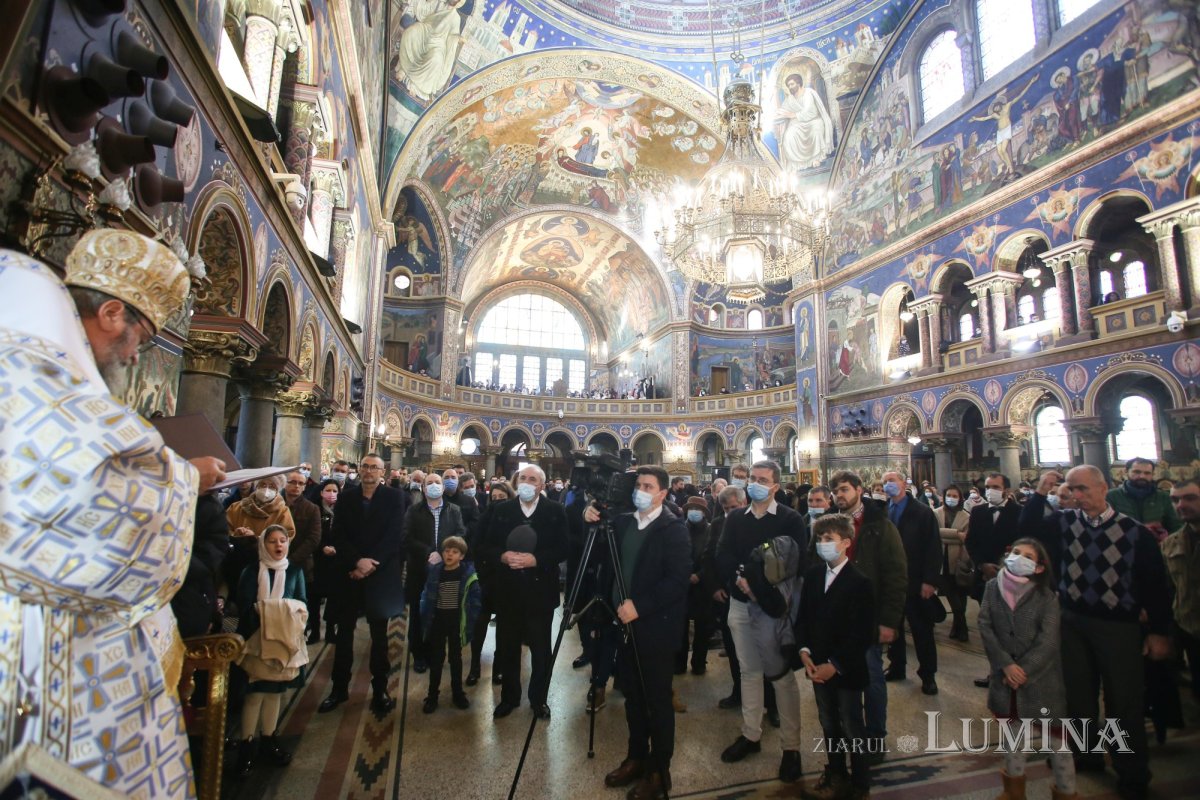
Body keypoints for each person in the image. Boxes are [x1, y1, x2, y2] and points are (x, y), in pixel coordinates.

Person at [0, 235, 226, 799]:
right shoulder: (35, 376)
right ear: (110, 313)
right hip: (42, 663)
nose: (133, 356)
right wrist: (184, 480)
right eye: (140, 339)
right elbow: (90, 502)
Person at [1022, 468, 1171, 799]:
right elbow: (1027, 530)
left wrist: (1159, 631)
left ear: (1104, 488)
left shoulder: (1133, 532)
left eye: (1084, 489)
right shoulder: (1064, 524)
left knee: (1123, 700)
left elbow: (1155, 585)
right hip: (1073, 620)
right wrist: (1039, 492)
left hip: (1117, 625)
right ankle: (1086, 753)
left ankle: (1131, 772)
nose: (1078, 495)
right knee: (1078, 695)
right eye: (1072, 490)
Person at [586, 466, 691, 800]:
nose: (641, 490)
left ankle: (660, 770)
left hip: (655, 627)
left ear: (662, 493)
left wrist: (640, 606)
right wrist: (588, 519)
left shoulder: (672, 529)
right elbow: (598, 553)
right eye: (638, 485)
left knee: (656, 701)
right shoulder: (623, 523)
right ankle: (635, 757)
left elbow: (676, 581)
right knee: (632, 695)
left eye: (648, 486)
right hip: (622, 625)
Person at [715, 461, 806, 784]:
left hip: (772, 610)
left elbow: (796, 561)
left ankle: (791, 749)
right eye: (752, 479)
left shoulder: (790, 519)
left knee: (780, 677)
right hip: (740, 604)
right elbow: (723, 553)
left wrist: (760, 586)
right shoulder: (736, 518)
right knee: (749, 672)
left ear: (775, 487)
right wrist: (741, 579)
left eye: (762, 480)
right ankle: (750, 735)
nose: (755, 484)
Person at [977, 537, 1077, 800]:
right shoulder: (991, 588)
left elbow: (1049, 640)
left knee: (1057, 742)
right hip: (1005, 677)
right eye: (1016, 552)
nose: (1019, 557)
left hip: (1040, 680)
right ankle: (1013, 790)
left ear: (1040, 567)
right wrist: (1005, 665)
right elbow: (985, 625)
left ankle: (1066, 792)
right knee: (1013, 739)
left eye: (1028, 556)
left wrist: (1024, 671)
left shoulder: (1046, 597)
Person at [319, 454, 408, 716]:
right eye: (365, 467)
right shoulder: (346, 497)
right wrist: (357, 562)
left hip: (378, 574)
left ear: (383, 472)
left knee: (380, 637)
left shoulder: (394, 497)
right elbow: (339, 534)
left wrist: (371, 564)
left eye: (374, 468)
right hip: (349, 573)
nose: (369, 471)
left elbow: (394, 535)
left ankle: (380, 688)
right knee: (343, 635)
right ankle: (339, 688)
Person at [478, 465, 568, 720]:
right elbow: (485, 545)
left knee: (540, 650)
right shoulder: (502, 510)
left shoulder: (555, 510)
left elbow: (563, 547)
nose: (527, 482)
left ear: (542, 485)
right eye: (523, 478)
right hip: (508, 591)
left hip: (540, 592)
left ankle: (539, 699)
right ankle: (509, 697)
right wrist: (502, 556)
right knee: (507, 647)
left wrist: (536, 560)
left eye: (533, 479)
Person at [796, 514, 876, 800]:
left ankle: (861, 784)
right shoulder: (815, 575)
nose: (822, 544)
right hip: (817, 665)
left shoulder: (859, 582)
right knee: (828, 722)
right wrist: (804, 650)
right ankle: (837, 772)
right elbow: (803, 616)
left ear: (845, 543)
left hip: (846, 670)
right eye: (819, 539)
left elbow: (862, 634)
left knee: (852, 726)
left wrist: (836, 665)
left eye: (828, 539)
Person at [827, 471, 907, 754]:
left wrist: (889, 621)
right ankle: (850, 733)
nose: (840, 495)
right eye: (836, 490)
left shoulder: (880, 526)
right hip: (836, 616)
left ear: (859, 490)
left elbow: (896, 576)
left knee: (872, 678)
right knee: (841, 680)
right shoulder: (828, 525)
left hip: (868, 615)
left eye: (845, 489)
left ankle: (874, 737)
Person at [234, 525, 309, 775]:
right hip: (256, 641)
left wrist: (282, 613)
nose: (278, 546)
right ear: (262, 545)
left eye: (283, 541)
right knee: (254, 695)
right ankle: (246, 744)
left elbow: (302, 603)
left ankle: (268, 739)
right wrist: (263, 615)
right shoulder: (251, 571)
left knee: (275, 693)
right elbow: (245, 604)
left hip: (284, 643)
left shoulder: (294, 571)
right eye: (272, 542)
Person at [881, 470, 942, 695]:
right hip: (891, 582)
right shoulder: (884, 510)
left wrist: (930, 581)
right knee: (893, 627)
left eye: (892, 481)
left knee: (921, 630)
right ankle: (897, 666)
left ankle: (928, 674)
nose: (888, 485)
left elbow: (933, 548)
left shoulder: (922, 512)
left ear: (904, 483)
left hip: (916, 580)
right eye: (885, 482)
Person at [405, 472, 466, 673]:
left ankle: (433, 652)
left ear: (442, 487)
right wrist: (427, 552)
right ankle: (418, 654)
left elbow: (460, 533)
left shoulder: (453, 509)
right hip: (418, 570)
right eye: (429, 483)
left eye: (437, 482)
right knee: (417, 613)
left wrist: (443, 553)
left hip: (445, 570)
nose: (433, 485)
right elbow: (406, 536)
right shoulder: (414, 510)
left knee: (439, 613)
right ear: (423, 488)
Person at [967, 473, 1021, 687]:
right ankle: (993, 672)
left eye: (995, 486)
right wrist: (981, 564)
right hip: (984, 576)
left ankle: (1012, 672)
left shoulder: (1018, 513)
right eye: (987, 486)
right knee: (989, 628)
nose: (990, 490)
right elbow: (971, 542)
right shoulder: (978, 512)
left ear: (1006, 490)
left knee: (1010, 628)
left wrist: (1004, 566)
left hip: (1011, 577)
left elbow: (1023, 542)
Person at [419, 535, 481, 713]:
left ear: (461, 556)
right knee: (436, 659)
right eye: (447, 551)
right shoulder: (435, 571)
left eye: (455, 552)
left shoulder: (467, 575)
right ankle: (432, 695)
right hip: (438, 620)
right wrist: (425, 615)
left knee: (456, 658)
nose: (450, 554)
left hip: (456, 622)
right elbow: (427, 595)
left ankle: (458, 693)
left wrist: (471, 619)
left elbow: (475, 601)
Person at [468, 480, 515, 685]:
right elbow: (476, 547)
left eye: (501, 499)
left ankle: (499, 668)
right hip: (486, 576)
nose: (497, 502)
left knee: (504, 627)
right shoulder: (485, 517)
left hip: (508, 578)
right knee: (480, 623)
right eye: (494, 498)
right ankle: (474, 666)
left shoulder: (515, 519)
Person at [226, 475, 297, 602]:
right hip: (237, 559)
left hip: (266, 562)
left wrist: (257, 538)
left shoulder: (282, 511)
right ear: (256, 486)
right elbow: (225, 529)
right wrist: (237, 533)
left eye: (271, 487)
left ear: (277, 490)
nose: (266, 490)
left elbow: (287, 535)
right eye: (263, 485)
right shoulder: (237, 507)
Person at [1166, 479, 1200, 701]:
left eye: (1190, 498)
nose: (1181, 505)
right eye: (1175, 500)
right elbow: (1169, 587)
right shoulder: (1171, 543)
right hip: (1190, 628)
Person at [282, 470, 322, 643]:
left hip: (300, 564)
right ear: (285, 483)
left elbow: (313, 539)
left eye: (301, 483)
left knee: (299, 603)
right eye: (293, 482)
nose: (296, 486)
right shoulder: (274, 504)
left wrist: (291, 560)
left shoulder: (311, 508)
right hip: (273, 562)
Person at [678, 496, 715, 676]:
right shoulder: (679, 529)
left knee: (703, 627)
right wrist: (685, 575)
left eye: (698, 509)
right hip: (682, 585)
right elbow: (675, 555)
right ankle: (679, 663)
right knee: (680, 626)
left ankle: (699, 662)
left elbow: (712, 556)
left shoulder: (711, 530)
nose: (694, 512)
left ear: (704, 513)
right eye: (691, 509)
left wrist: (699, 575)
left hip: (703, 584)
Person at [1107, 458, 1181, 540]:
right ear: (1126, 471)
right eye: (1137, 472)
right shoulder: (1111, 496)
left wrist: (1166, 540)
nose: (1142, 476)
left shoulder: (1163, 497)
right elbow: (1106, 526)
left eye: (1147, 473)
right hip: (1123, 545)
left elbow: (1176, 527)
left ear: (1152, 474)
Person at [934, 485, 971, 641]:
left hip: (959, 559)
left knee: (960, 594)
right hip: (941, 560)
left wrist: (948, 536)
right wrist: (956, 534)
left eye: (954, 495)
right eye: (948, 494)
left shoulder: (966, 516)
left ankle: (957, 627)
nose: (951, 498)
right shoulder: (935, 513)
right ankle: (962, 626)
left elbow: (966, 538)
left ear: (960, 498)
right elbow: (935, 533)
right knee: (950, 594)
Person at [309, 478, 341, 643]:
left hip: (336, 560)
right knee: (314, 598)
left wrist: (338, 548)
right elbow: (311, 533)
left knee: (333, 598)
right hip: (317, 559)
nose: (331, 494)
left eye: (335, 491)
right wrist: (322, 547)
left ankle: (330, 631)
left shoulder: (342, 511)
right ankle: (314, 630)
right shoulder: (314, 509)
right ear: (321, 492)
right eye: (328, 490)